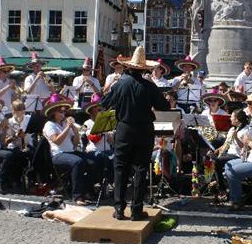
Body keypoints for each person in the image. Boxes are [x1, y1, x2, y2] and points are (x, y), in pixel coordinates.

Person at [101, 47, 171, 220]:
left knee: (120, 168)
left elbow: (105, 103)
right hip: (144, 130)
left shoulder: (120, 84)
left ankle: (119, 209)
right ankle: (136, 210)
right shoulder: (149, 86)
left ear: (128, 67)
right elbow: (164, 107)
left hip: (124, 129)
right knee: (140, 169)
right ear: (144, 69)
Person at [43, 94, 93, 205]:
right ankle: (77, 196)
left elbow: (75, 143)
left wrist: (75, 130)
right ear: (53, 113)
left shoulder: (65, 123)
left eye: (64, 111)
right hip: (58, 154)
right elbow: (57, 141)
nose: (63, 114)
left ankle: (88, 191)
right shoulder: (49, 125)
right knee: (78, 162)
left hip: (71, 152)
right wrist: (67, 127)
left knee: (92, 160)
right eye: (60, 111)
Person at [209, 109, 250, 200]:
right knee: (211, 158)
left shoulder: (246, 130)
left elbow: (245, 147)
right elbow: (226, 144)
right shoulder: (232, 129)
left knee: (217, 161)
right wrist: (216, 150)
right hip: (229, 153)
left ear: (237, 119)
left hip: (238, 155)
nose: (230, 118)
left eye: (232, 117)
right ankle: (214, 185)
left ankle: (221, 188)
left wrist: (236, 137)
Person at [81, 94, 114, 186]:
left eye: (102, 109)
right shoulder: (87, 123)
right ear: (92, 111)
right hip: (93, 150)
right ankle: (99, 183)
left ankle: (112, 182)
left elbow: (110, 142)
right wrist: (102, 129)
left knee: (117, 158)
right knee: (102, 158)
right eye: (99, 110)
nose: (101, 111)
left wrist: (111, 134)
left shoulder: (106, 122)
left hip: (106, 150)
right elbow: (94, 139)